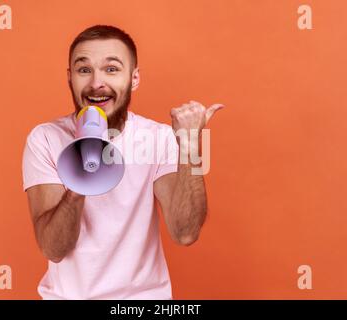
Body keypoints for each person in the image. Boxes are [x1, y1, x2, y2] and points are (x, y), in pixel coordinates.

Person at [22, 25, 224, 299]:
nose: (96, 83)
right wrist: (83, 171)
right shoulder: (45, 138)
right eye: (84, 70)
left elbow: (185, 234)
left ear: (134, 78)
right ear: (70, 78)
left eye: (112, 69)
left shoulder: (158, 138)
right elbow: (53, 249)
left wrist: (189, 147)